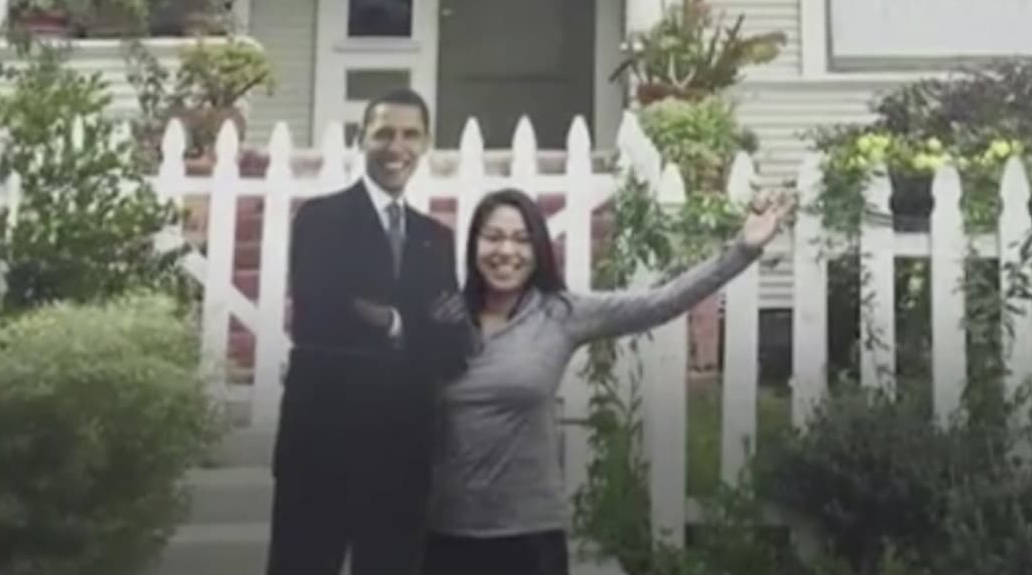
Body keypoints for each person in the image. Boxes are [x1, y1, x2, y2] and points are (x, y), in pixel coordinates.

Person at [421, 187, 793, 575]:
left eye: (521, 239)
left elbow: (660, 303)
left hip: (528, 536)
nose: (506, 251)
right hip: (445, 532)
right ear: (474, 244)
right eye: (493, 237)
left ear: (538, 250)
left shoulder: (561, 315)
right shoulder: (442, 317)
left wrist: (742, 250)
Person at [266, 88, 474, 575]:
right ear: (362, 139)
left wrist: (389, 320)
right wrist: (416, 323)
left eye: (410, 135)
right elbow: (322, 314)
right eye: (383, 134)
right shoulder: (320, 219)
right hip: (320, 445)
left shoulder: (436, 238)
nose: (396, 147)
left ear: (426, 144)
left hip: (404, 450)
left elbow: (452, 349)